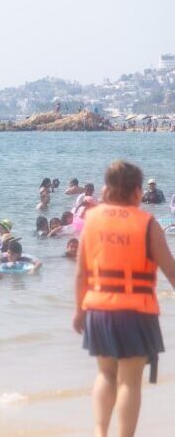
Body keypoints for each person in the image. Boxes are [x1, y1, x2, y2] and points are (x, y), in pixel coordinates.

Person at [73, 161, 175, 437]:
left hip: (98, 309)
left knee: (105, 374)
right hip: (137, 311)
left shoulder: (91, 221)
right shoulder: (148, 224)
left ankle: (99, 432)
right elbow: (171, 271)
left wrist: (78, 311)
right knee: (129, 381)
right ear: (138, 192)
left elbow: (81, 274)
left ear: (107, 188)